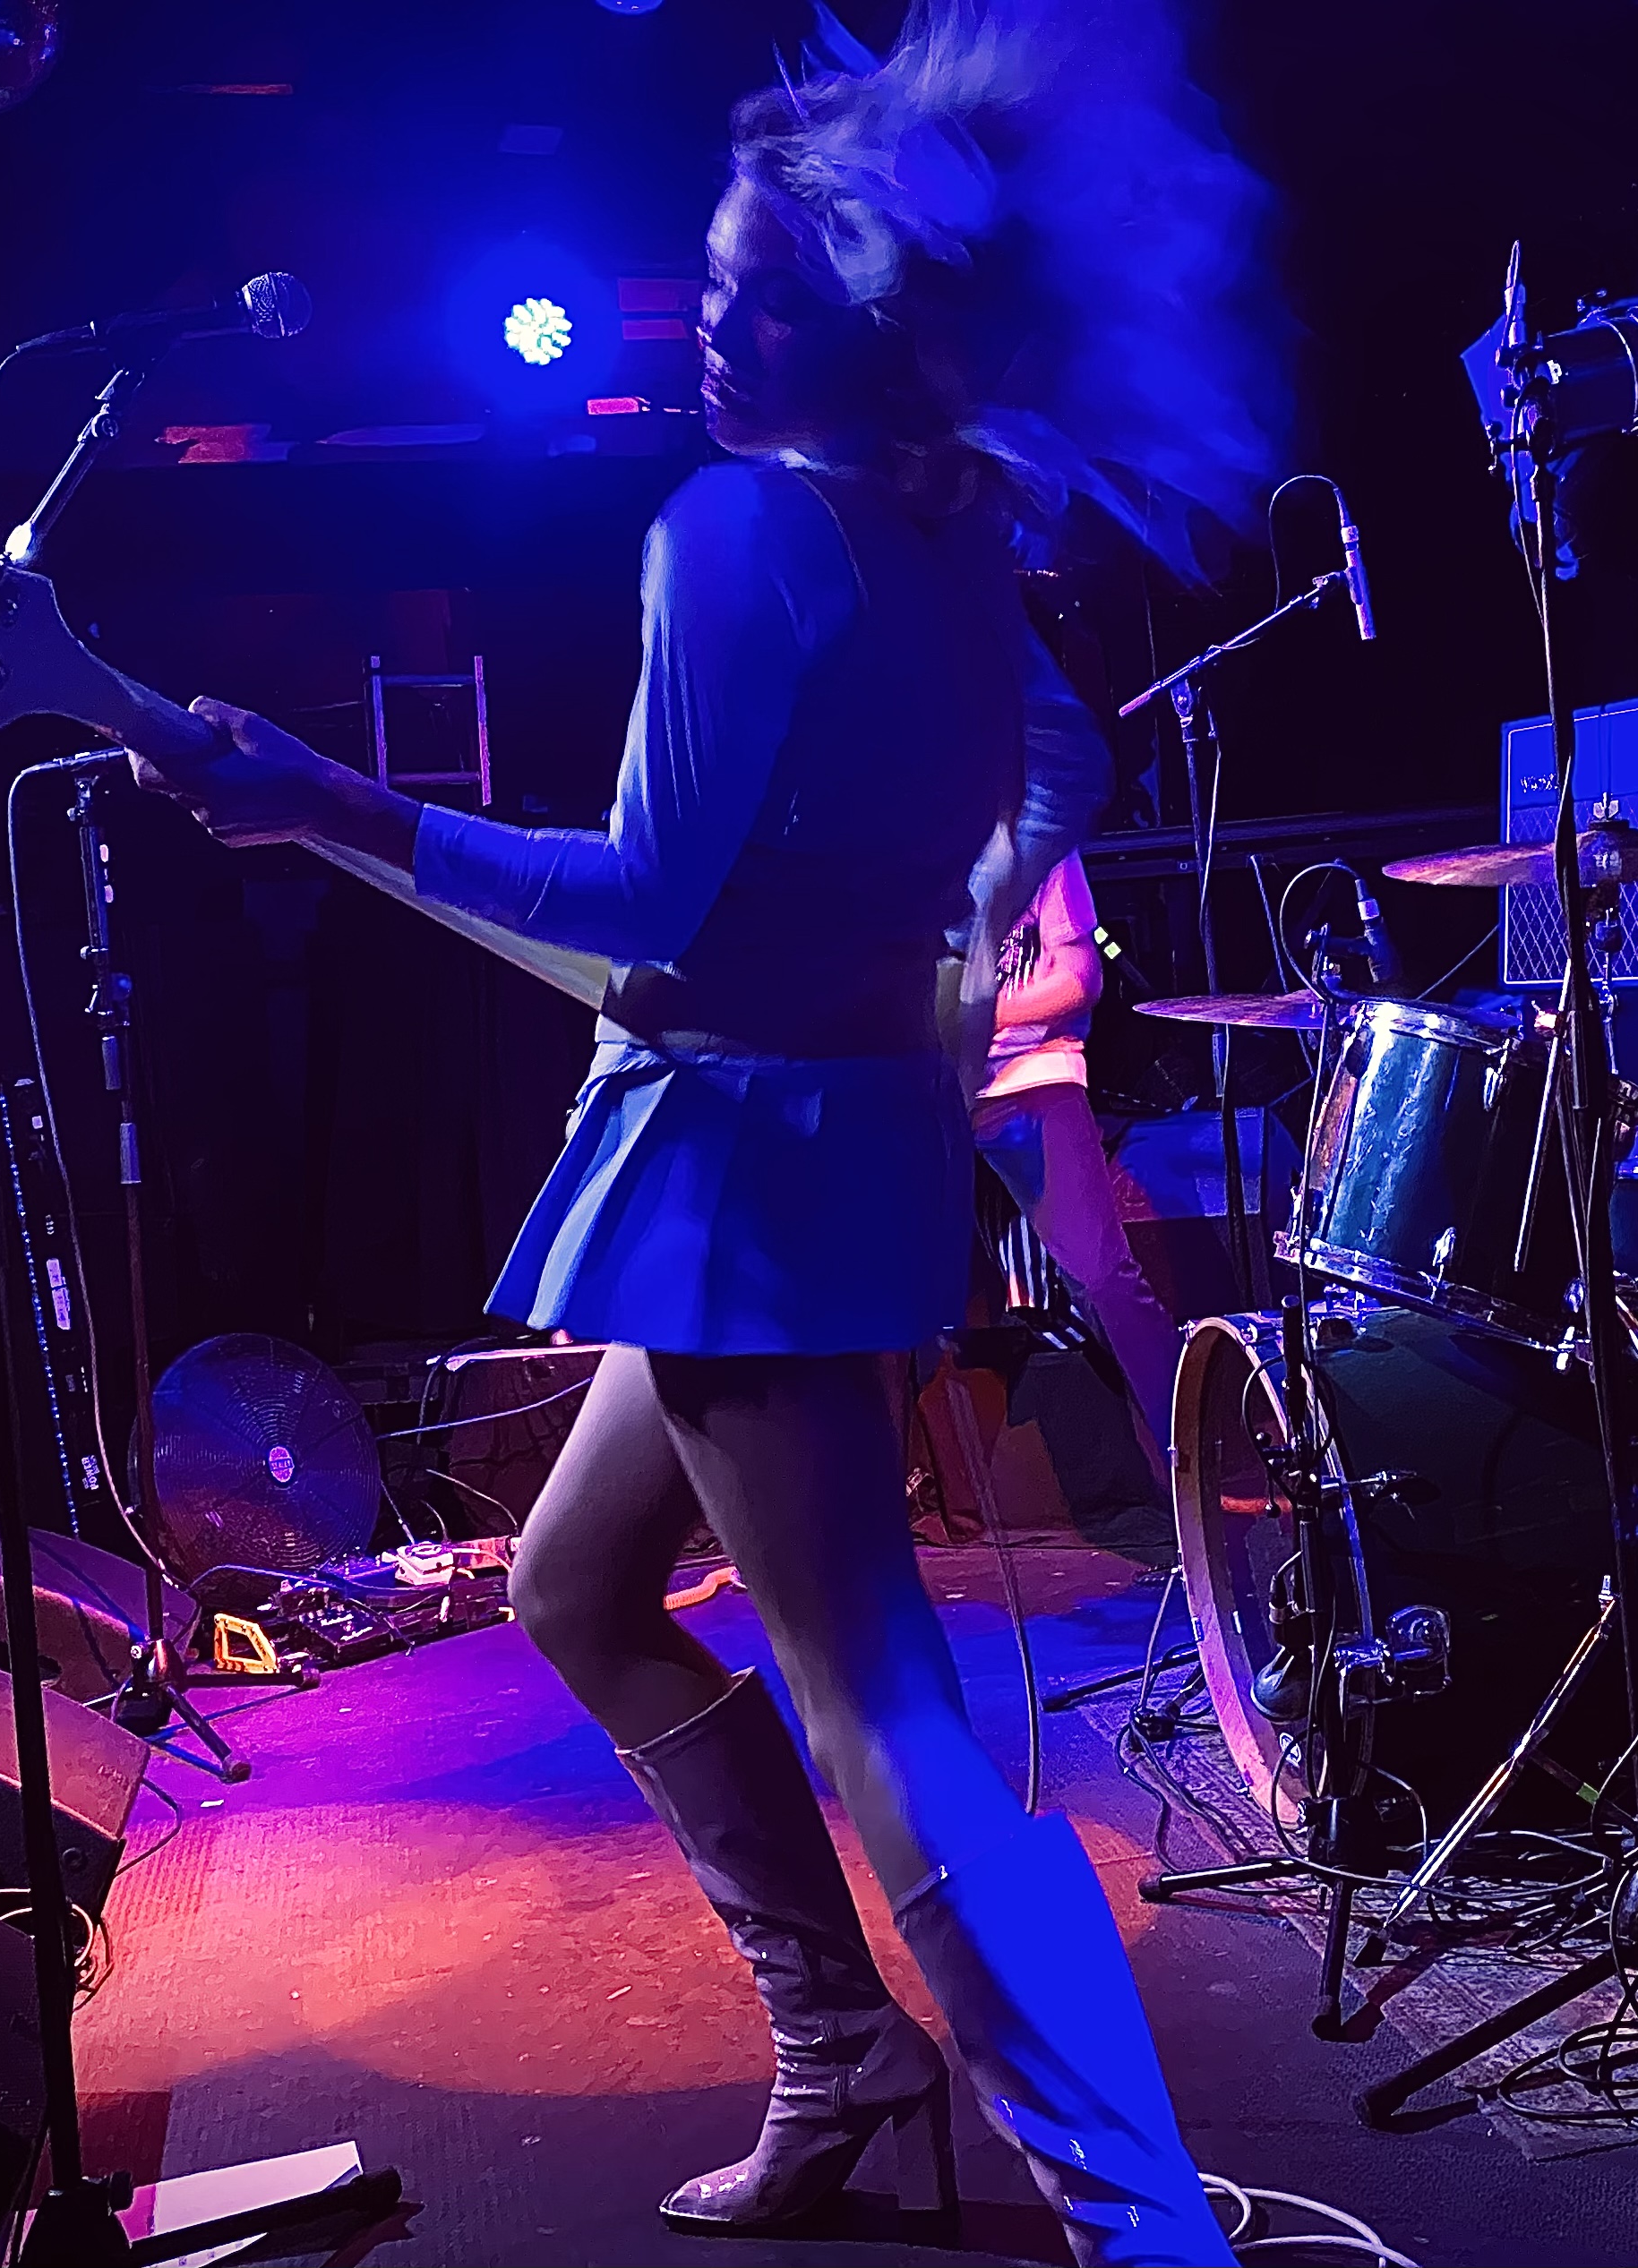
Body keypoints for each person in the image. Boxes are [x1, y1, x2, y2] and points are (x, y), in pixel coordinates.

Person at [131, 8, 1278, 2258]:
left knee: (884, 1713)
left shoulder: (744, 525)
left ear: (857, 332)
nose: (712, 322)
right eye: (714, 280)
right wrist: (941, 938)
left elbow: (646, 898)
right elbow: (1067, 764)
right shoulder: (944, 534)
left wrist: (333, 798)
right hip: (825, 1146)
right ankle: (844, 2043)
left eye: (753, 292)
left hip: (747, 1172)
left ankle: (1149, 2224)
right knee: (575, 1584)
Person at [976, 852, 1185, 1465]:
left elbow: (1080, 979)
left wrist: (974, 1017)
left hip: (1028, 1076)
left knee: (1101, 1277)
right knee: (870, 1293)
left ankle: (1200, 1454)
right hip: (918, 1089)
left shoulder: (1041, 843)